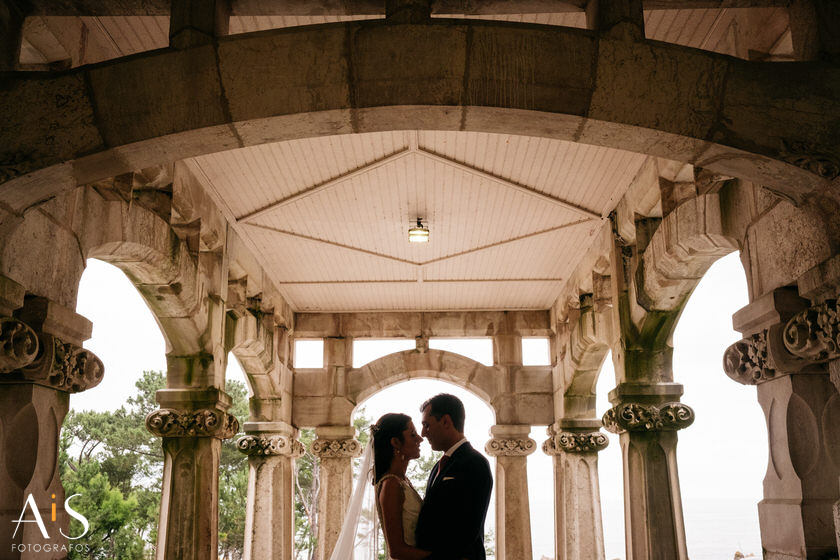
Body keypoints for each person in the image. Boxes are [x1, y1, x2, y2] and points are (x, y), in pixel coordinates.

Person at [415, 394, 493, 560]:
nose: (423, 433)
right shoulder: (439, 466)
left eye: (426, 425)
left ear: (446, 422)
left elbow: (468, 528)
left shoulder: (475, 463)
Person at [371, 413, 433, 560]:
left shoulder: (402, 480)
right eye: (413, 435)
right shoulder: (391, 484)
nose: (420, 439)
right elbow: (397, 550)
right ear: (396, 443)